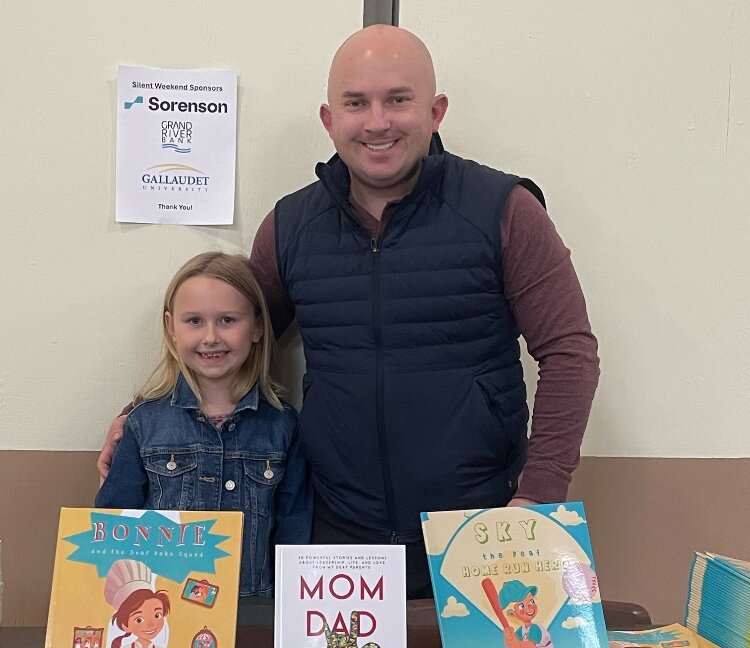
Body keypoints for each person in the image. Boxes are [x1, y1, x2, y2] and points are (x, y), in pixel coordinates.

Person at [99, 26, 598, 599]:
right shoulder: (290, 226)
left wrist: (538, 495)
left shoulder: (504, 210)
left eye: (398, 99)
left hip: (481, 527)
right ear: (328, 117)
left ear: (436, 111)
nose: (377, 121)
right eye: (356, 103)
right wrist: (139, 412)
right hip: (335, 537)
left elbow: (570, 352)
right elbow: (230, 341)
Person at [95, 252, 312, 597]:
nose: (211, 337)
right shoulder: (143, 425)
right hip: (165, 620)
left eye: (227, 320)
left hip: (254, 618)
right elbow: (113, 529)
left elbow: (293, 531)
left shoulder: (283, 426)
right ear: (171, 327)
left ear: (257, 326)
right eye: (194, 321)